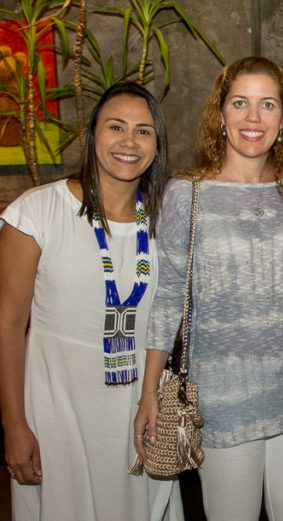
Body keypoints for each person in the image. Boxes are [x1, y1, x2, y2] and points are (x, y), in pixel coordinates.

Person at [133, 56, 283, 521]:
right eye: (240, 103)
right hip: (223, 397)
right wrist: (150, 390)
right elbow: (169, 296)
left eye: (267, 105)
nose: (253, 118)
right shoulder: (187, 194)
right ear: (221, 114)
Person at [0, 82, 182, 521]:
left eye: (143, 131)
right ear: (92, 135)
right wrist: (14, 425)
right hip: (57, 409)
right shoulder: (37, 212)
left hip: (140, 409)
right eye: (115, 127)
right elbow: (7, 324)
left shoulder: (166, 221)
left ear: (156, 146)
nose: (128, 141)